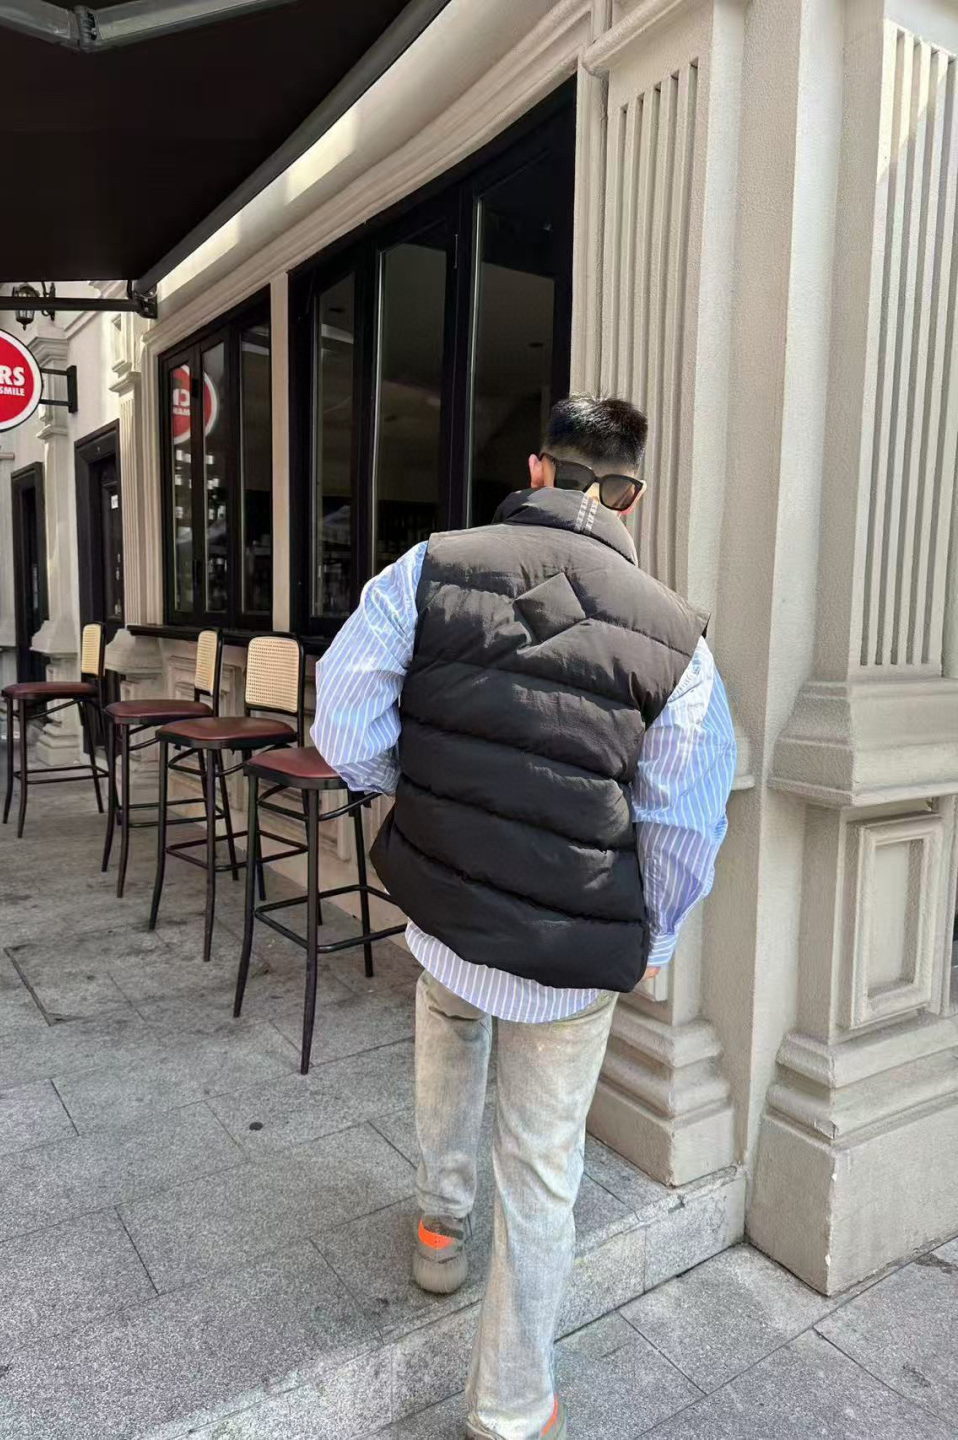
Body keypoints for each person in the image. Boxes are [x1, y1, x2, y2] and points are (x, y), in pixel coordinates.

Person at [310, 394, 737, 1440]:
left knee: (447, 1039)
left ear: (538, 472)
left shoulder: (430, 567)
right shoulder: (678, 636)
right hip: (570, 944)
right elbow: (684, 823)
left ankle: (439, 1233)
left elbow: (344, 722)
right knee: (543, 1168)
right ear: (633, 495)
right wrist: (656, 939)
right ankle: (509, 1406)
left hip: (446, 904)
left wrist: (419, 797)